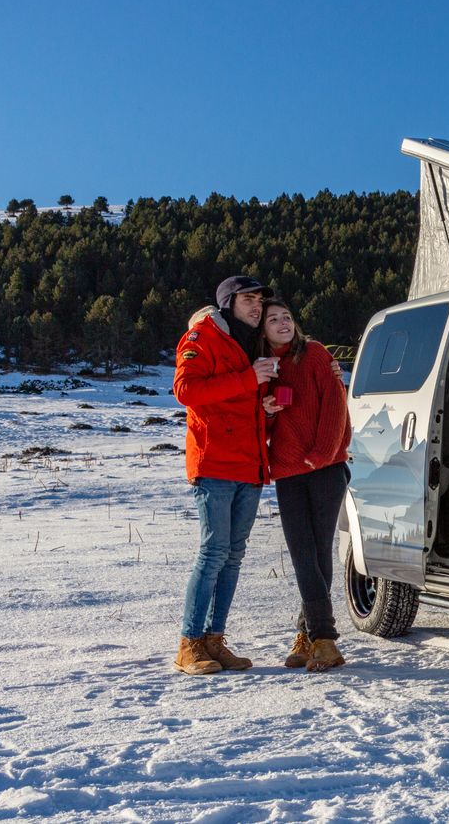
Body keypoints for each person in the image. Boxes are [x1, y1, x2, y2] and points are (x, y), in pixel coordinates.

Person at [172, 275, 277, 675]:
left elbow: (239, 404)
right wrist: (248, 380)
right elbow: (186, 390)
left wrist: (264, 409)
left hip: (249, 465)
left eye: (259, 300)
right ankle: (189, 643)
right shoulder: (203, 336)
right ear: (229, 302)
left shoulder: (253, 343)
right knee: (213, 553)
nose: (256, 306)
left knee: (233, 556)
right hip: (215, 463)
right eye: (248, 299)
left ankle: (215, 642)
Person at [258, 299, 353, 672]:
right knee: (303, 555)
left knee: (316, 552)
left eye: (287, 318)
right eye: (273, 319)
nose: (283, 323)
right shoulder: (266, 368)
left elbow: (336, 404)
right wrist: (266, 412)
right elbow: (259, 428)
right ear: (262, 329)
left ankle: (322, 638)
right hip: (287, 471)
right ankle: (313, 634)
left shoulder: (314, 354)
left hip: (325, 468)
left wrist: (321, 453)